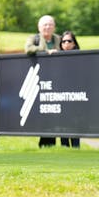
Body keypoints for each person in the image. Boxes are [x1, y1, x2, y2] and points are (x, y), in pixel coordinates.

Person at [25, 15, 61, 147]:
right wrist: (46, 51)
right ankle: (45, 142)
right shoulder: (34, 38)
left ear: (54, 26)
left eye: (50, 24)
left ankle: (54, 143)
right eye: (45, 25)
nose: (48, 27)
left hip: (57, 79)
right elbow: (28, 49)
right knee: (44, 111)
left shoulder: (59, 39)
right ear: (39, 27)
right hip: (41, 79)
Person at [59, 30, 81, 148]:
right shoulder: (56, 57)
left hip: (76, 97)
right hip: (61, 97)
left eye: (69, 41)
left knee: (74, 125)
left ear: (74, 43)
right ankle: (64, 149)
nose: (66, 43)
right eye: (63, 41)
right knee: (63, 125)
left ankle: (76, 149)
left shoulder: (80, 57)